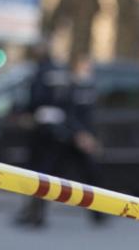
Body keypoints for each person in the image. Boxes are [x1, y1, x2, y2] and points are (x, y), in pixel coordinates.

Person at [14, 47, 103, 227]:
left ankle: (99, 211)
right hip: (63, 135)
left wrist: (86, 135)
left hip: (64, 135)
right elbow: (67, 112)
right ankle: (35, 212)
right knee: (48, 174)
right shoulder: (69, 83)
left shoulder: (80, 85)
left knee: (81, 173)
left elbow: (80, 114)